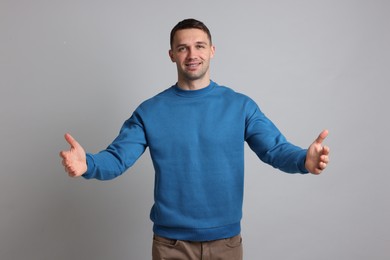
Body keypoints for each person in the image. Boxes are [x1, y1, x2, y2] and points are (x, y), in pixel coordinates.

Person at [60, 18, 330, 260]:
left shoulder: (240, 106)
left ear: (212, 51)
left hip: (226, 243)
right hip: (171, 245)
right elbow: (118, 158)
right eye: (183, 48)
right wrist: (89, 164)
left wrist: (303, 159)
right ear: (171, 55)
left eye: (200, 46)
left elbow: (274, 148)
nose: (192, 54)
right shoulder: (150, 111)